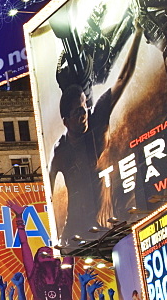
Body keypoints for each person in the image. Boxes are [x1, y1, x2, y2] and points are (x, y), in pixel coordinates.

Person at [49, 27, 142, 244]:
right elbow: (49, 192)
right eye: (77, 112)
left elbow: (123, 77)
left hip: (111, 219)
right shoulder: (60, 150)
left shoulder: (98, 115)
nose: (83, 114)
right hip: (77, 232)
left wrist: (137, 33)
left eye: (84, 107)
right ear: (66, 120)